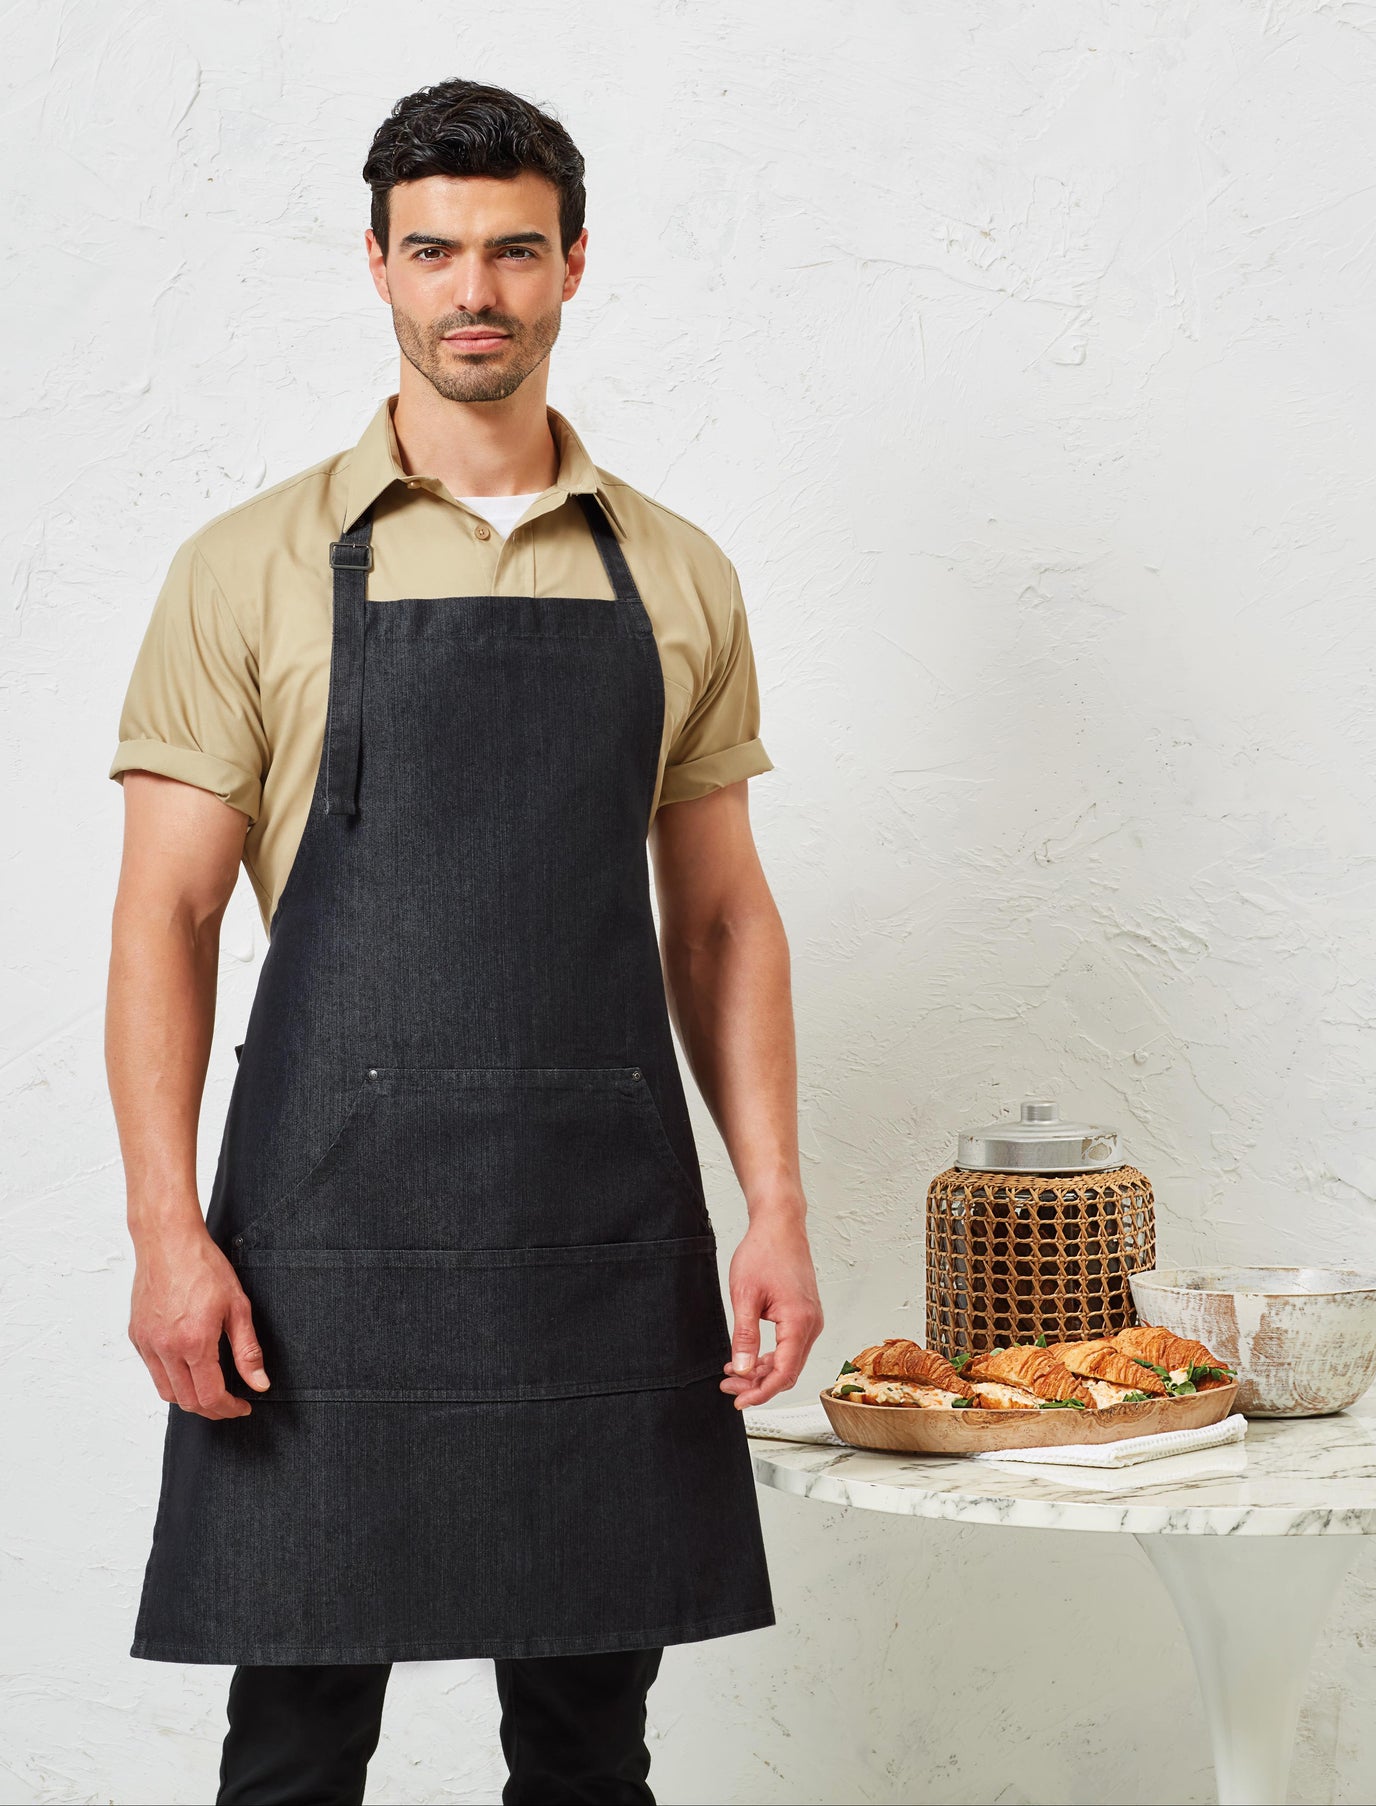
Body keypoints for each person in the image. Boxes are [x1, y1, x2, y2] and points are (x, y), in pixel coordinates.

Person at [105, 78, 824, 1806]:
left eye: (512, 249)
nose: (473, 290)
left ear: (573, 263)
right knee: (292, 1747)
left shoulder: (675, 572)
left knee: (587, 1745)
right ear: (378, 266)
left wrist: (777, 1202)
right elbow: (167, 913)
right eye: (433, 252)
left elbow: (719, 911)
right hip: (322, 1236)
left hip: (592, 1229)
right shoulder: (249, 566)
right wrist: (165, 1231)